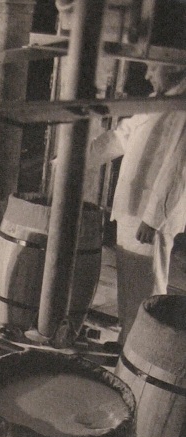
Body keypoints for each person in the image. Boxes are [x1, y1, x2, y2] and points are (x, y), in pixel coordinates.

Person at [86, 62, 186, 343]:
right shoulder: (157, 101)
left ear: (175, 68)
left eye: (153, 68)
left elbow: (178, 168)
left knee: (149, 288)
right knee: (130, 284)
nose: (147, 75)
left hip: (150, 215)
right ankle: (126, 345)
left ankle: (148, 349)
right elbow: (122, 136)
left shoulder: (182, 106)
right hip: (131, 206)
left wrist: (153, 219)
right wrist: (74, 160)